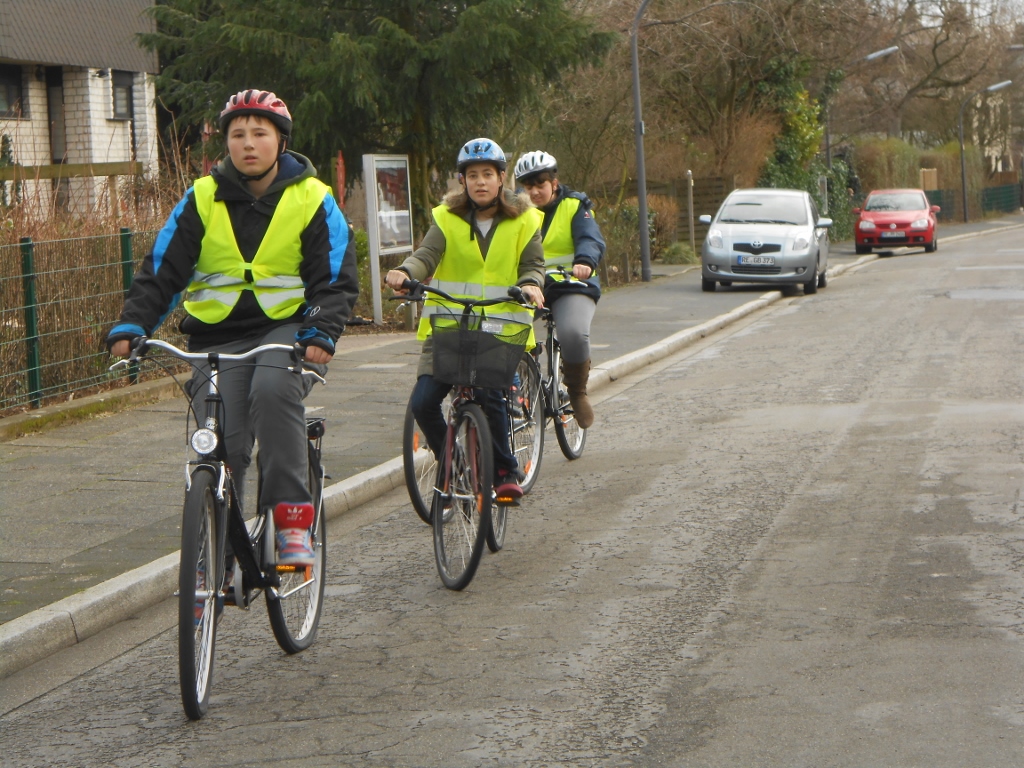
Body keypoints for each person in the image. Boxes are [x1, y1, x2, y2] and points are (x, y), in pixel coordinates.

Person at [107, 89, 359, 567]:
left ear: (280, 142)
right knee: (224, 441)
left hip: (288, 331)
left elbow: (335, 278)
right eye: (237, 134)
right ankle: (220, 540)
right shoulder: (201, 198)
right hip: (215, 338)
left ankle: (290, 520)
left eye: (259, 134)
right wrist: (133, 323)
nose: (247, 143)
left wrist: (324, 331)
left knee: (271, 388)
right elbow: (162, 271)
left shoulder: (312, 197)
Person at [385, 138, 545, 499]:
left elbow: (533, 266)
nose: (480, 182)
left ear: (502, 178)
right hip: (450, 329)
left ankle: (505, 470)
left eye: (488, 174)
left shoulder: (525, 220)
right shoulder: (447, 218)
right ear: (463, 181)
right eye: (472, 175)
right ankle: (453, 463)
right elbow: (426, 253)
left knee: (491, 396)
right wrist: (405, 270)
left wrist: (532, 286)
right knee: (423, 402)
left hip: (499, 329)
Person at [513, 150, 606, 429]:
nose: (534, 192)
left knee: (573, 333)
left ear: (554, 182)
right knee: (505, 328)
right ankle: (518, 389)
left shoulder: (575, 205)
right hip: (531, 286)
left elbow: (590, 238)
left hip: (571, 284)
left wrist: (585, 261)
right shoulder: (516, 212)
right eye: (527, 187)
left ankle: (577, 392)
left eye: (540, 184)